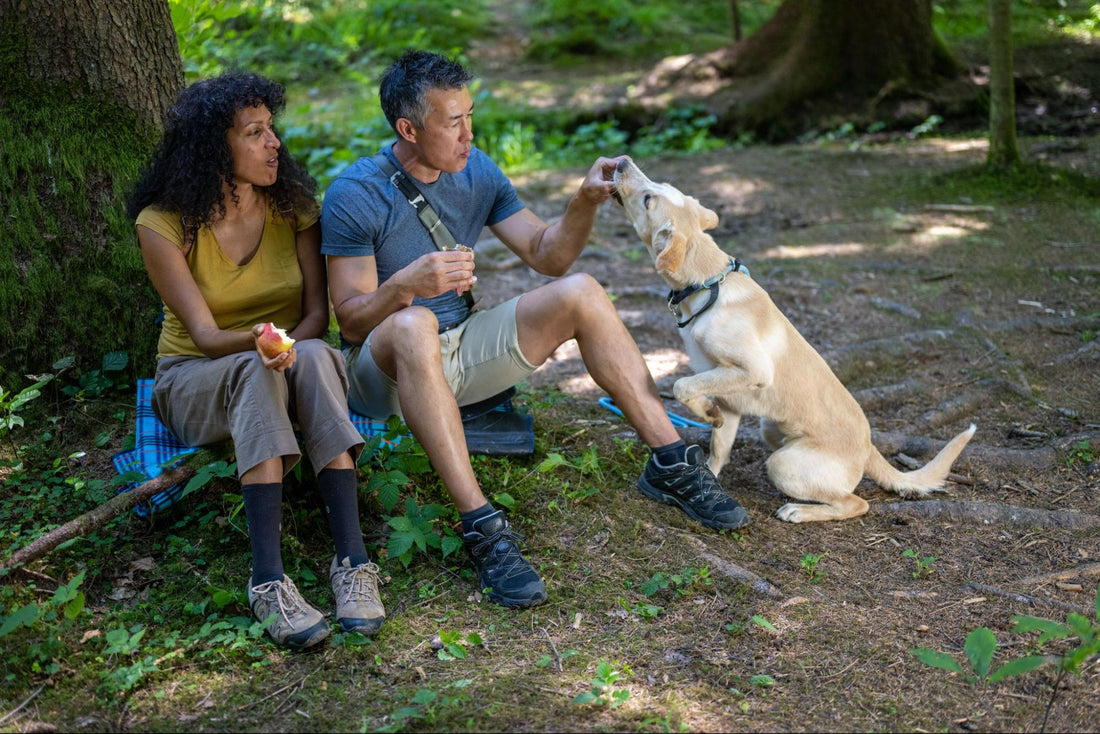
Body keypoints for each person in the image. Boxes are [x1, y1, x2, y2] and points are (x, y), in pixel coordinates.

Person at [321, 50, 750, 610]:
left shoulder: (476, 171)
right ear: (408, 128)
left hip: (457, 354)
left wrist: (584, 200)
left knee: (583, 292)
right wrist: (405, 284)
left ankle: (670, 463)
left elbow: (548, 256)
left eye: (470, 115)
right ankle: (481, 525)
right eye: (453, 123)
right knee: (412, 323)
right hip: (383, 370)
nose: (468, 134)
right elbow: (350, 319)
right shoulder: (356, 193)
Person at [126, 71, 384, 650]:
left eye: (272, 129)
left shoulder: (291, 206)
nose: (275, 144)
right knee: (253, 368)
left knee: (316, 355)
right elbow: (206, 334)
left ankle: (354, 562)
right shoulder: (162, 224)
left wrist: (285, 349)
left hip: (291, 359)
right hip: (195, 376)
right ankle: (268, 580)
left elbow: (320, 316)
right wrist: (264, 346)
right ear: (216, 147)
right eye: (255, 132)